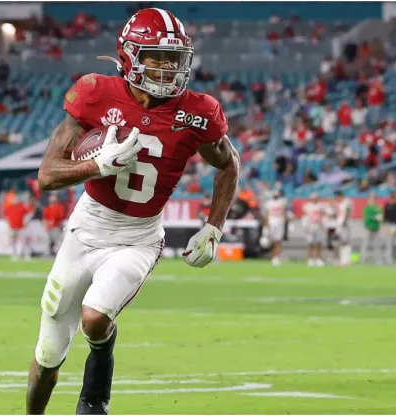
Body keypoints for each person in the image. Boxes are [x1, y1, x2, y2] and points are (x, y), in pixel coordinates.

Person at [26, 8, 240, 415]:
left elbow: (229, 163)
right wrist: (97, 166)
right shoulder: (94, 93)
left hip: (138, 237)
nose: (167, 68)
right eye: (156, 57)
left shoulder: (198, 110)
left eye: (174, 59)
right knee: (49, 349)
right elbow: (47, 175)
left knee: (94, 317)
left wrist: (214, 227)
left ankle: (94, 397)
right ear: (128, 56)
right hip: (86, 227)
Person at [261, 189, 288, 266]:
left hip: (279, 222)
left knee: (278, 240)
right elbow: (266, 215)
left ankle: (276, 257)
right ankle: (273, 256)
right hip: (272, 222)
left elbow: (284, 213)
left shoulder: (282, 202)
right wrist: (265, 226)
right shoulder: (269, 203)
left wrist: (287, 222)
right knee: (272, 241)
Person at [301, 193, 325, 267]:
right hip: (310, 226)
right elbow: (304, 216)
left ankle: (319, 259)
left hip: (319, 226)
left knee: (319, 243)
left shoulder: (321, 206)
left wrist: (324, 225)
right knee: (310, 243)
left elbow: (323, 215)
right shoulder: (307, 206)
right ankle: (310, 259)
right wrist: (305, 225)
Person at [360, 192, 384, 264]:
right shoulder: (366, 208)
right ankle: (363, 260)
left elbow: (381, 216)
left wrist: (380, 221)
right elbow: (367, 218)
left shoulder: (378, 207)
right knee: (365, 244)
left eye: (373, 198)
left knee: (377, 245)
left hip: (376, 228)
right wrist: (375, 218)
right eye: (370, 198)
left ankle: (378, 260)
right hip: (368, 228)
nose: (372, 199)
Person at [334, 190, 353, 266]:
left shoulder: (347, 202)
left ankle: (346, 260)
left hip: (344, 225)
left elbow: (348, 211)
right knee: (341, 243)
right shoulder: (340, 203)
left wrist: (345, 222)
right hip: (339, 225)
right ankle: (342, 260)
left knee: (345, 242)